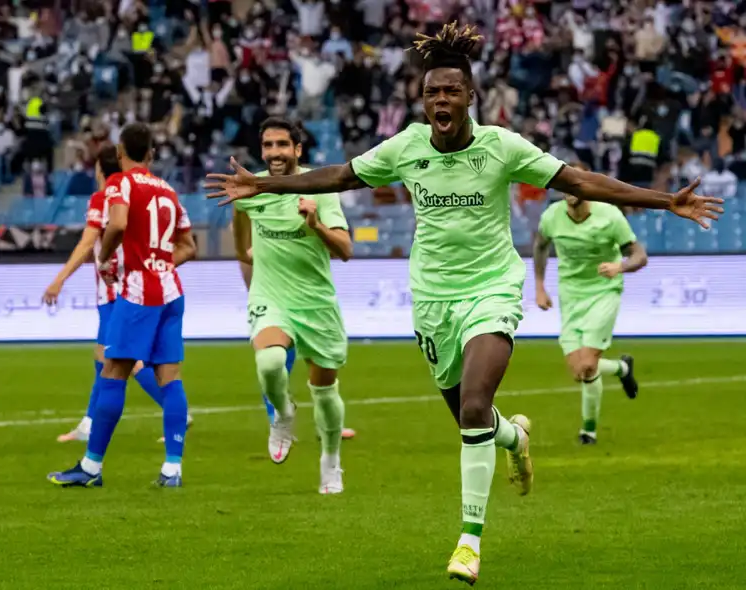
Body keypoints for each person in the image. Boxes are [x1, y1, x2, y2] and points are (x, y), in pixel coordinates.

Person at [205, 22, 722, 586]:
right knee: (471, 421)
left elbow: (581, 179)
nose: (441, 100)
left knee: (475, 405)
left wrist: (664, 200)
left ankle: (469, 541)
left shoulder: (501, 146)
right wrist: (267, 186)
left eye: (451, 90)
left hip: (492, 291)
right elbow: (339, 176)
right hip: (431, 298)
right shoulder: (406, 146)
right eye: (432, 93)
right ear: (422, 100)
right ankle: (515, 438)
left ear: (471, 95)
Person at [48, 123, 196, 488]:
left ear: (120, 151)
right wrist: (161, 263)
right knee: (169, 377)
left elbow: (117, 224)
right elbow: (189, 246)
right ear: (151, 153)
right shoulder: (169, 191)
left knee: (112, 371)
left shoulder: (120, 183)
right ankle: (172, 470)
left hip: (139, 292)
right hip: (172, 291)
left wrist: (106, 258)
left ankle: (91, 468)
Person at [232, 117, 355, 493]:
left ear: (297, 150)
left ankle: (331, 461)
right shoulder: (251, 187)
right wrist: (248, 256)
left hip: (315, 303)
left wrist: (315, 224)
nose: (274, 153)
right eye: (268, 145)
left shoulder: (318, 187)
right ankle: (283, 414)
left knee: (325, 392)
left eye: (282, 145)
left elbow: (346, 250)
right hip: (272, 298)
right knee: (269, 362)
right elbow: (241, 242)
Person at [533, 163, 646, 445]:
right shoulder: (551, 217)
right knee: (579, 371)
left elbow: (639, 255)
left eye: (577, 182)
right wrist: (539, 286)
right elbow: (540, 246)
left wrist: (620, 267)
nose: (571, 189)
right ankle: (622, 369)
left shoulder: (609, 215)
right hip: (570, 294)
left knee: (587, 365)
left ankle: (589, 431)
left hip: (603, 292)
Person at [240, 249, 357, 441]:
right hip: (272, 289)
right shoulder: (257, 222)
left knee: (319, 357)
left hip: (305, 287)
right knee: (275, 359)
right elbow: (243, 248)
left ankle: (326, 425)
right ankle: (278, 422)